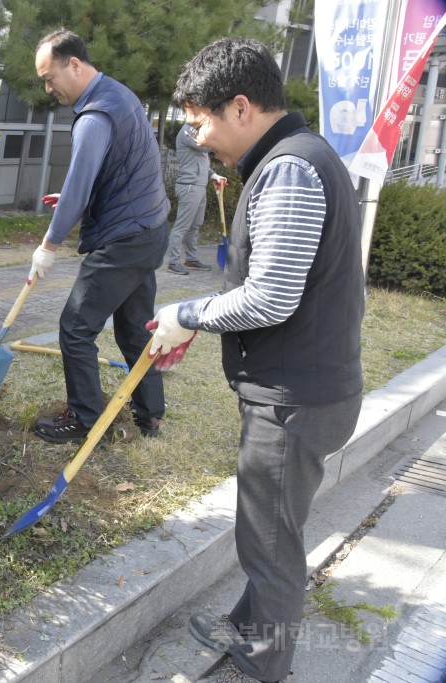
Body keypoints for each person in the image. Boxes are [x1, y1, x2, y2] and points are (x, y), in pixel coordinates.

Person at [152, 38, 364, 683]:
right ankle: (247, 625)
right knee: (272, 527)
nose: (197, 138)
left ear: (240, 106)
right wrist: (206, 315)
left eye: (200, 122)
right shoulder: (297, 158)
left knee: (269, 542)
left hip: (295, 397)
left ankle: (261, 665)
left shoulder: (290, 170)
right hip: (306, 387)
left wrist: (183, 315)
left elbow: (270, 298)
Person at [29, 29, 169, 443]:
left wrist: (48, 245)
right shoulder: (119, 95)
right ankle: (150, 415)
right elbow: (116, 169)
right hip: (149, 229)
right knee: (134, 328)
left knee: (75, 327)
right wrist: (80, 198)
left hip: (123, 241)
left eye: (50, 77)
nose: (49, 88)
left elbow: (79, 183)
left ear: (74, 64)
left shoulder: (95, 116)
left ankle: (87, 421)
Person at [165, 122, 226, 275]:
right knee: (182, 226)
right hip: (189, 186)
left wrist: (213, 175)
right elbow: (204, 147)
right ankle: (173, 262)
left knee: (195, 225)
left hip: (199, 185)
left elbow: (203, 160)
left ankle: (191, 259)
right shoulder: (188, 132)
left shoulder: (198, 131)